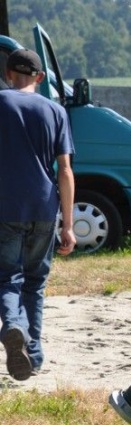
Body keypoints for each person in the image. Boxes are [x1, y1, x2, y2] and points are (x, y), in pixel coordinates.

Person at [0, 49, 76, 381]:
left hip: (6, 206)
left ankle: (13, 326)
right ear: (40, 78)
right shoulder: (56, 110)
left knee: (7, 278)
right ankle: (33, 355)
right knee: (35, 282)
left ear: (7, 74)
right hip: (44, 207)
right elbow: (66, 171)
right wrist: (69, 226)